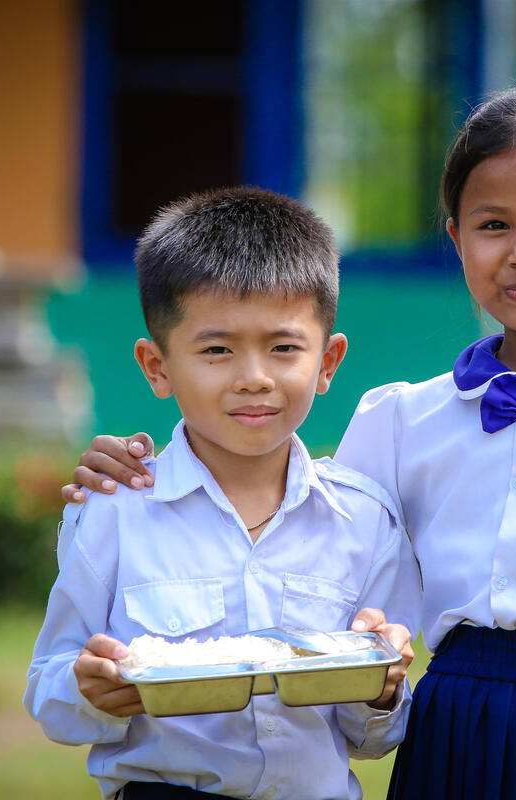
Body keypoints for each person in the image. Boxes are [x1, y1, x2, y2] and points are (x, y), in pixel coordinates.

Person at [67, 83, 516, 800]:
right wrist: (147, 467)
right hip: (456, 744)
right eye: (493, 225)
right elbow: (286, 511)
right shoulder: (403, 422)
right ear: (456, 239)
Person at [27, 187, 421, 800]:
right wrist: (87, 688)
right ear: (157, 367)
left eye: (284, 347)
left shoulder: (363, 519)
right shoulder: (114, 511)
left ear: (328, 361)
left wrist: (384, 685)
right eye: (216, 350)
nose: (254, 377)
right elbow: (47, 689)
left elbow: (372, 737)